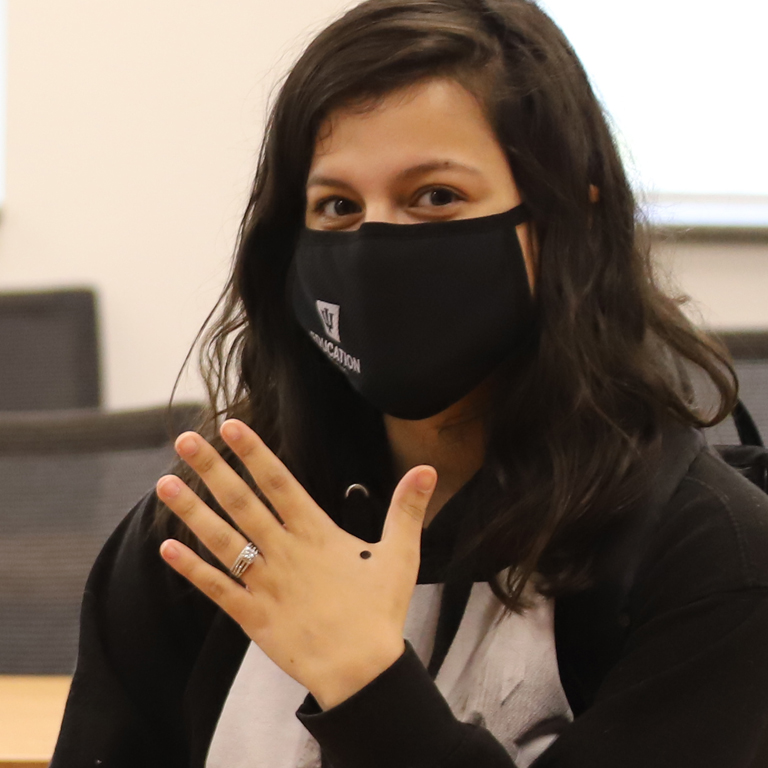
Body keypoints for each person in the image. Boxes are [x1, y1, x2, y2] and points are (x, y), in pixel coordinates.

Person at [51, 0, 768, 766]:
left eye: (436, 197)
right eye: (338, 206)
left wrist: (366, 685)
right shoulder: (210, 534)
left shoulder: (709, 558)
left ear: (569, 223)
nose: (377, 247)